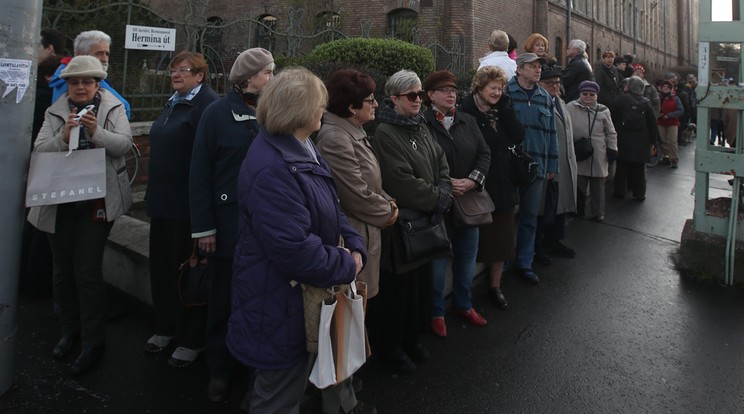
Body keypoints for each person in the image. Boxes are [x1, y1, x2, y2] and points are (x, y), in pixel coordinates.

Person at [229, 67, 366, 414]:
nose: (323, 110)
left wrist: (353, 241)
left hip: (299, 298)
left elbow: (331, 205)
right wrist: (346, 263)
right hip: (279, 303)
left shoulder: (301, 145)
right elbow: (293, 249)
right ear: (300, 111)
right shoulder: (274, 166)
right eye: (319, 105)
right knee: (278, 397)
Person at [28, 56, 133, 374]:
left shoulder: (112, 107)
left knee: (86, 270)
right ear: (68, 85)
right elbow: (39, 149)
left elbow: (124, 145)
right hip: (59, 200)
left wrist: (96, 132)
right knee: (61, 270)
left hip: (96, 203)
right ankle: (69, 330)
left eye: (87, 81)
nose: (81, 87)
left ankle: (93, 341)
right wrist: (62, 137)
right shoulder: (56, 109)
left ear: (97, 84)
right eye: (75, 82)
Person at [189, 48, 274, 404]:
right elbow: (199, 174)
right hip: (227, 226)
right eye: (268, 72)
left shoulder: (272, 112)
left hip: (265, 228)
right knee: (222, 300)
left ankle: (255, 370)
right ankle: (220, 370)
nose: (273, 78)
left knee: (260, 302)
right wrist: (204, 229)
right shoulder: (217, 114)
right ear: (248, 78)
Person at [315, 68, 395, 414]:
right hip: (352, 240)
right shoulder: (335, 138)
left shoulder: (354, 131)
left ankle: (347, 383)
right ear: (351, 107)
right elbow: (356, 195)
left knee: (354, 317)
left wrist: (385, 202)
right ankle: (341, 402)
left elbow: (372, 185)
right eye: (370, 100)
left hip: (364, 234)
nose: (376, 104)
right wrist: (390, 212)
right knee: (344, 319)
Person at [371, 69, 452, 374]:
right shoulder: (385, 133)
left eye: (420, 94)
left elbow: (440, 160)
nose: (419, 100)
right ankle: (391, 347)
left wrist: (443, 191)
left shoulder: (420, 126)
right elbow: (400, 180)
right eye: (412, 95)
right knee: (398, 291)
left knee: (418, 286)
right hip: (404, 225)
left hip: (426, 220)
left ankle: (411, 339)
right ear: (393, 99)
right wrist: (437, 199)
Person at [143, 52, 218, 369]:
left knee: (187, 274)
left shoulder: (207, 107)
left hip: (185, 208)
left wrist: (204, 220)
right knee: (161, 269)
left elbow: (208, 163)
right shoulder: (174, 101)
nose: (175, 74)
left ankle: (191, 339)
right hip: (161, 203)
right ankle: (166, 327)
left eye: (183, 70)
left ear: (200, 75)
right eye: (173, 70)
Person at [421, 70, 490, 337]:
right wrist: (448, 184)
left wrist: (473, 181)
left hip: (469, 203)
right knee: (438, 263)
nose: (451, 94)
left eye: (453, 90)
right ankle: (436, 312)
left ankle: (464, 304)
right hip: (439, 205)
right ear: (430, 96)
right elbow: (422, 162)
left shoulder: (468, 121)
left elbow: (484, 153)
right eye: (444, 90)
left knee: (467, 257)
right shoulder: (423, 124)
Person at [459, 65, 524, 309]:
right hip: (478, 182)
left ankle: (495, 286)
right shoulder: (467, 110)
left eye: (500, 88)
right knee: (475, 242)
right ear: (480, 87)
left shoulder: (504, 108)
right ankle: (466, 295)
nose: (497, 93)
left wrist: (507, 112)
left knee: (502, 241)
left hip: (504, 181)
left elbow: (518, 136)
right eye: (492, 88)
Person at [507, 53, 559, 284]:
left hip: (537, 167)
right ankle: (504, 261)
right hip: (510, 167)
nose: (538, 70)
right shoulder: (506, 94)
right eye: (533, 66)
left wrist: (552, 165)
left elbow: (551, 133)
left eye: (539, 66)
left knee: (529, 217)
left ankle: (524, 262)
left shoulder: (545, 97)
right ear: (519, 69)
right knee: (508, 216)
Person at [537, 69, 577, 260]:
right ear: (539, 84)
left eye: (557, 82)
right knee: (546, 206)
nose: (555, 86)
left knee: (560, 204)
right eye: (549, 83)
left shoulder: (560, 102)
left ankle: (555, 240)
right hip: (549, 163)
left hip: (564, 160)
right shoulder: (541, 103)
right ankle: (541, 245)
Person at [49, 30, 131, 119]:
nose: (104, 59)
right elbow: (123, 109)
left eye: (107, 54)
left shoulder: (66, 75)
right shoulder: (74, 79)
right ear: (80, 55)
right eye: (99, 53)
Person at [566, 81, 617, 222]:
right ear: (580, 93)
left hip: (598, 153)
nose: (588, 96)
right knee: (578, 184)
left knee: (598, 186)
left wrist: (613, 148)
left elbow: (611, 132)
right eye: (585, 94)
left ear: (596, 95)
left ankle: (598, 212)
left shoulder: (603, 110)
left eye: (592, 94)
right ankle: (577, 209)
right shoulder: (570, 107)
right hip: (579, 151)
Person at [611, 76, 658, 200]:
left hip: (623, 138)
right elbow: (652, 124)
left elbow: (613, 120)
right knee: (639, 169)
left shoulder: (619, 100)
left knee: (621, 166)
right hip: (641, 140)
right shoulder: (646, 103)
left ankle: (619, 191)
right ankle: (639, 193)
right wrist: (653, 142)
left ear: (629, 86)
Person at [656, 80, 684, 168]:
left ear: (671, 89)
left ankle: (674, 159)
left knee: (672, 141)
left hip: (672, 122)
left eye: (667, 87)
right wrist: (658, 114)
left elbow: (680, 110)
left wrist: (669, 115)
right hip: (661, 122)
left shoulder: (675, 98)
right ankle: (666, 157)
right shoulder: (658, 97)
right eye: (663, 87)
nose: (665, 88)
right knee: (664, 141)